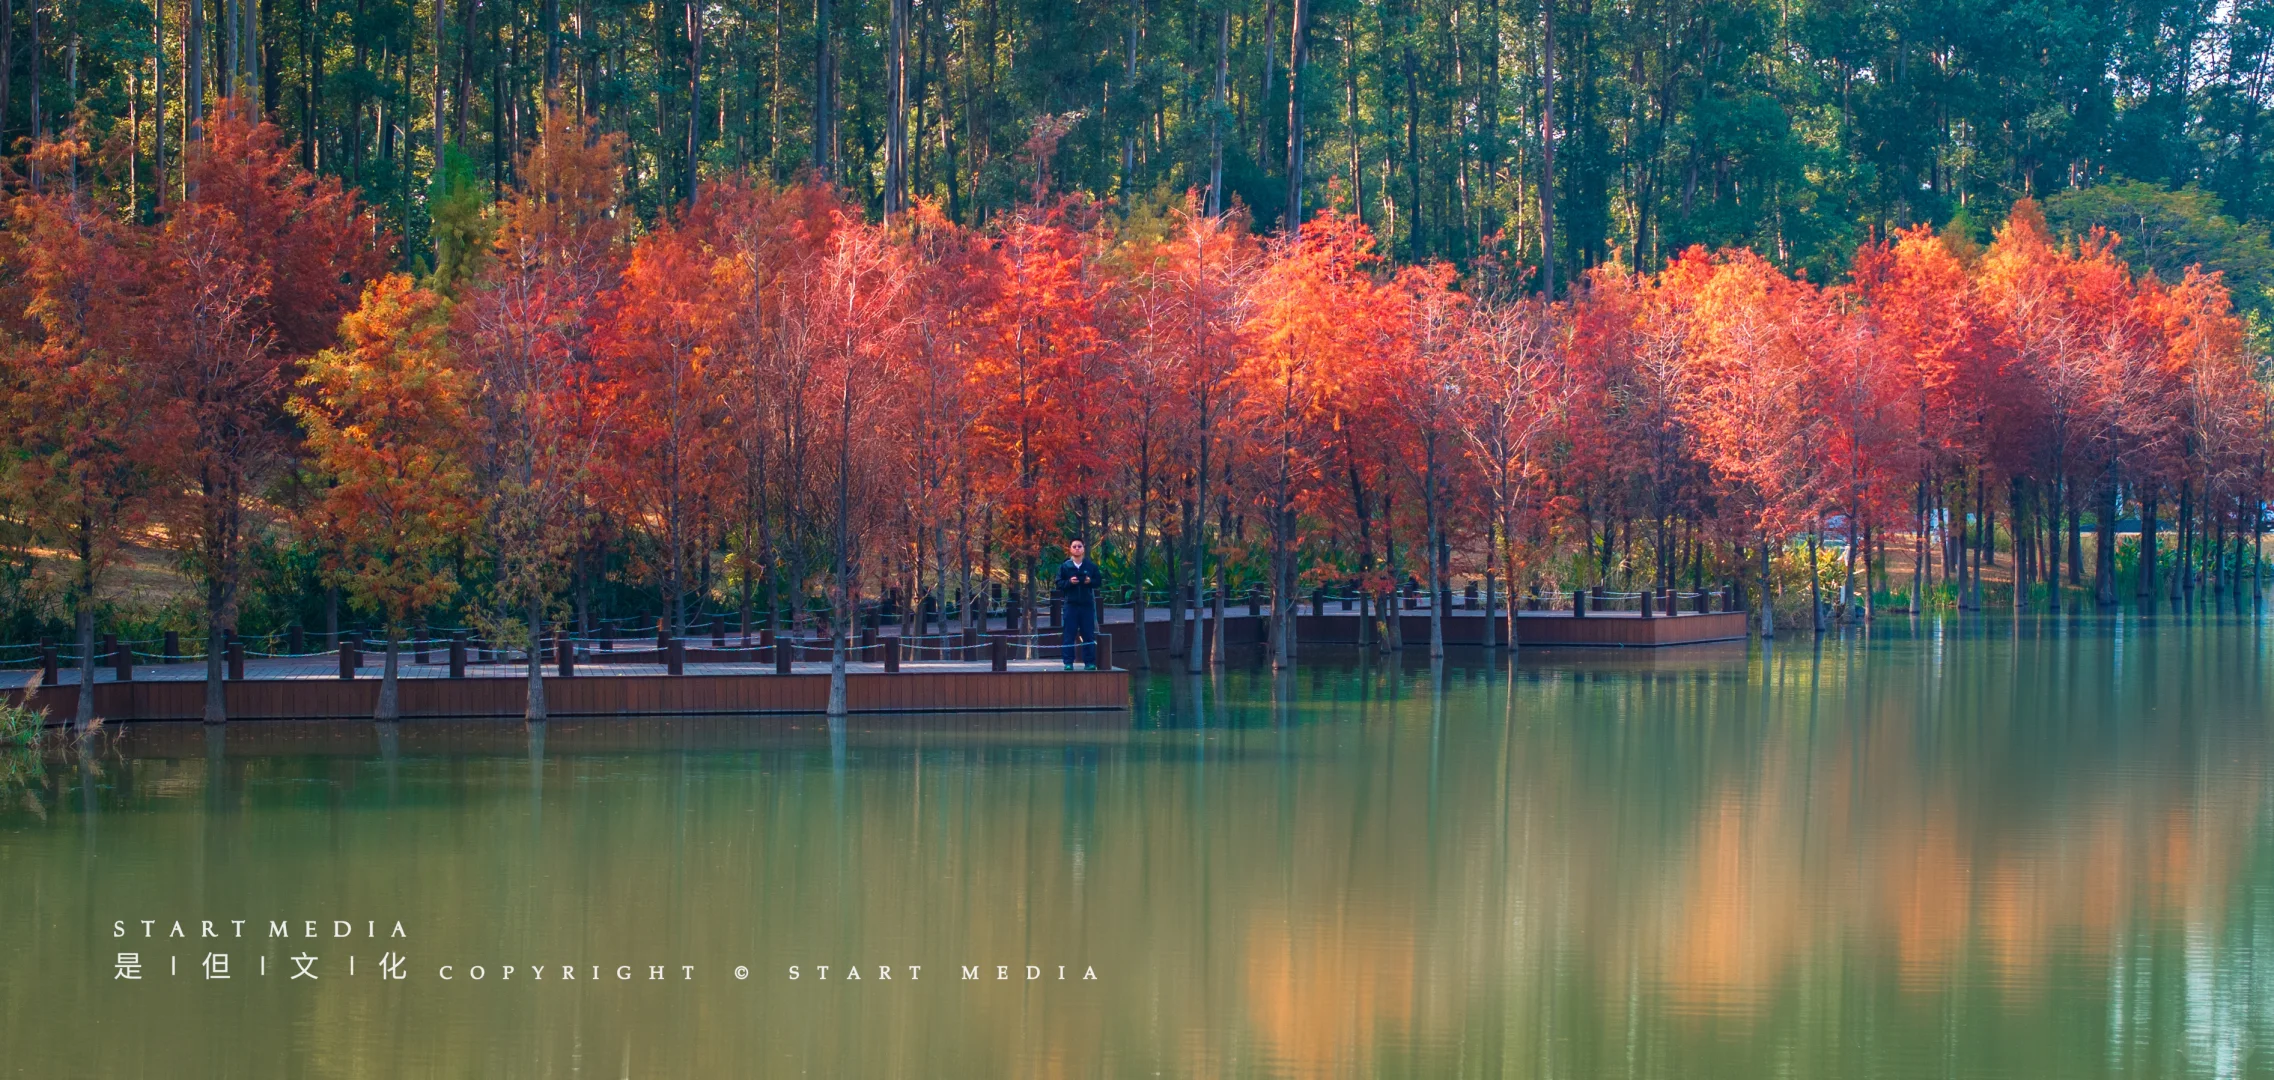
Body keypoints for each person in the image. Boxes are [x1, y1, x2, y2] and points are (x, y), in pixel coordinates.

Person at [1056, 539, 1103, 670]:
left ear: (1083, 549)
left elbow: (1098, 581)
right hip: (1070, 605)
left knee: (1088, 634)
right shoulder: (1065, 567)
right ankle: (1068, 663)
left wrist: (1089, 581)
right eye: (1074, 546)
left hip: (1086, 605)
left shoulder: (1090, 566)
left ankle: (1089, 663)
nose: (1077, 548)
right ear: (1070, 549)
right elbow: (1059, 583)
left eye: (1079, 546)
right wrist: (1070, 582)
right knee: (1069, 634)